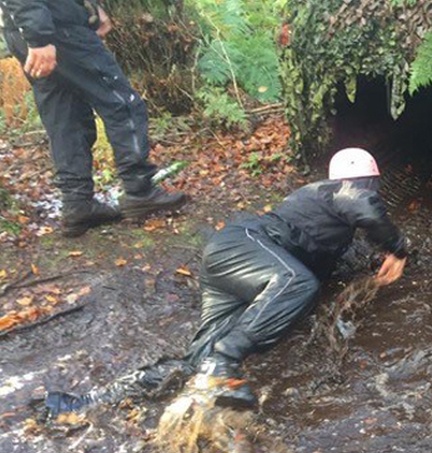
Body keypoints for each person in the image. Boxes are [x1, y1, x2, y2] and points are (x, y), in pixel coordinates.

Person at [188, 148, 408, 407]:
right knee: (298, 284)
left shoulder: (322, 217)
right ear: (367, 182)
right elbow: (365, 207)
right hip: (243, 243)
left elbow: (326, 263)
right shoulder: (335, 191)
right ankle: (225, 359)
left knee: (200, 356)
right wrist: (397, 249)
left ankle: (163, 382)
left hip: (233, 260)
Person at [1, 0, 186, 237]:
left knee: (66, 116)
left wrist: (90, 8)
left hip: (34, 28)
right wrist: (39, 37)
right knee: (122, 103)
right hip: (54, 28)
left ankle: (78, 204)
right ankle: (140, 190)